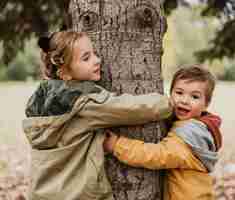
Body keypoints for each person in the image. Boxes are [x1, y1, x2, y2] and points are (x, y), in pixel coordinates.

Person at [22, 30, 172, 200]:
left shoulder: (41, 100)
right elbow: (130, 108)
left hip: (41, 193)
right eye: (86, 58)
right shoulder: (85, 102)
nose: (98, 60)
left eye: (94, 54)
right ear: (64, 73)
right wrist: (168, 103)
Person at [103, 65, 223, 200]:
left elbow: (156, 155)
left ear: (206, 104)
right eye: (179, 93)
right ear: (170, 93)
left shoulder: (189, 138)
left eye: (194, 97)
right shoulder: (198, 128)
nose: (184, 100)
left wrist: (117, 145)